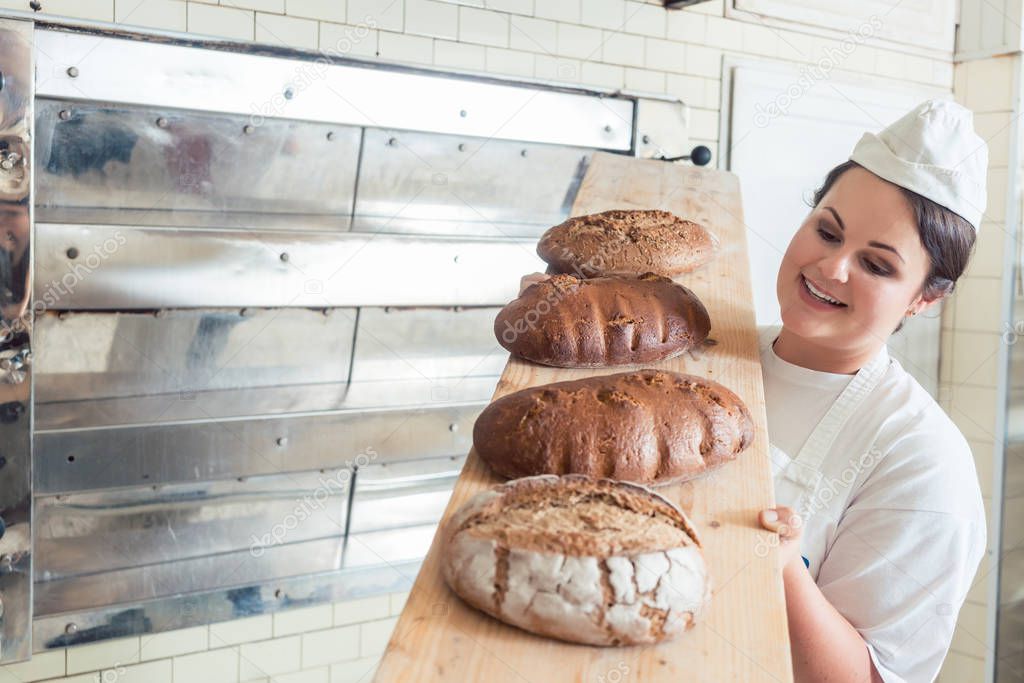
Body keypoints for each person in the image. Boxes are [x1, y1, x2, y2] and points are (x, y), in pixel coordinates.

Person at [757, 99, 988, 682]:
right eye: (826, 232)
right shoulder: (709, 349)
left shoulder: (924, 461)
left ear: (925, 298)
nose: (831, 269)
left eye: (877, 266)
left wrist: (781, 566)